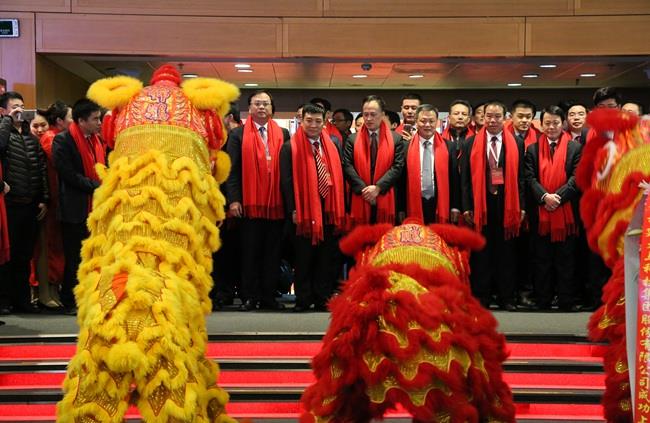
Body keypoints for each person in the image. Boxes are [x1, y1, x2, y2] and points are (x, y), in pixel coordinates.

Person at [225, 90, 290, 311]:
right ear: (250, 108)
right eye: (257, 103)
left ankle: (269, 296)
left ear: (272, 108)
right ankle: (250, 296)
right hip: (249, 204)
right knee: (250, 253)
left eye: (265, 104)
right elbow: (232, 171)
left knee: (273, 253)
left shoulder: (283, 133)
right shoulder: (238, 135)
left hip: (276, 204)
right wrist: (234, 200)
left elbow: (287, 170)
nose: (261, 107)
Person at [461, 100, 525, 311]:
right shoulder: (470, 143)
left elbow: (521, 178)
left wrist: (522, 206)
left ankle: (507, 297)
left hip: (507, 203)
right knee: (482, 252)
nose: (493, 120)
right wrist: (467, 206)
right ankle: (482, 296)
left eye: (497, 116)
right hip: (480, 204)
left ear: (505, 118)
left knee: (507, 252)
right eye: (488, 116)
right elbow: (465, 180)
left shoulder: (516, 142)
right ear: (482, 117)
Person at [280, 103, 345, 312]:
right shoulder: (290, 147)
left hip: (328, 208)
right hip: (303, 210)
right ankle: (303, 299)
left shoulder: (332, 144)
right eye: (309, 121)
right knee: (303, 257)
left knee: (325, 257)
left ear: (324, 122)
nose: (313, 125)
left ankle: (322, 297)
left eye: (318, 121)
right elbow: (286, 182)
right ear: (301, 121)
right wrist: (293, 209)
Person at [524, 105, 582, 311]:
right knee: (541, 260)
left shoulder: (575, 148)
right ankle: (543, 300)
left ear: (563, 123)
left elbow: (577, 177)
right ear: (541, 124)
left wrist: (557, 197)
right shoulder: (532, 149)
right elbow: (529, 178)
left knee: (566, 260)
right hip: (541, 214)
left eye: (555, 123)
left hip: (566, 212)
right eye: (547, 123)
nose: (551, 127)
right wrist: (544, 197)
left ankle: (566, 301)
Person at [52, 98, 104, 315]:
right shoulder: (63, 140)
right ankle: (70, 299)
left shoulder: (97, 140)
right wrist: (97, 186)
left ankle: (91, 298)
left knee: (93, 257)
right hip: (75, 208)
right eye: (95, 119)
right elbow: (68, 175)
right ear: (81, 121)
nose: (99, 123)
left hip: (95, 208)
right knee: (74, 257)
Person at [0, 91, 49, 314]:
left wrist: (44, 199)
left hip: (30, 205)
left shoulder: (31, 137)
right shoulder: (4, 133)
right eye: (14, 107)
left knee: (24, 255)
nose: (20, 110)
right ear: (3, 111)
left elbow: (41, 169)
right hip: (9, 203)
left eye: (22, 106)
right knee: (7, 256)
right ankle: (4, 301)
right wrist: (7, 121)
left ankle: (22, 301)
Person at [343, 95, 404, 225]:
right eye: (365, 114)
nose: (369, 118)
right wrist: (365, 190)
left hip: (385, 193)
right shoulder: (352, 139)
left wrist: (378, 188)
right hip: (361, 194)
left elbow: (397, 167)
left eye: (373, 114)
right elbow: (347, 166)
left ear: (382, 115)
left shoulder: (396, 139)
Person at [400, 104, 460, 224]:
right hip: (413, 201)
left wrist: (455, 206)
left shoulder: (449, 146)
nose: (427, 125)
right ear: (416, 122)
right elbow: (401, 181)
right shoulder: (405, 147)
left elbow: (454, 178)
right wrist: (400, 208)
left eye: (431, 121)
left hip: (440, 201)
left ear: (437, 122)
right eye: (423, 121)